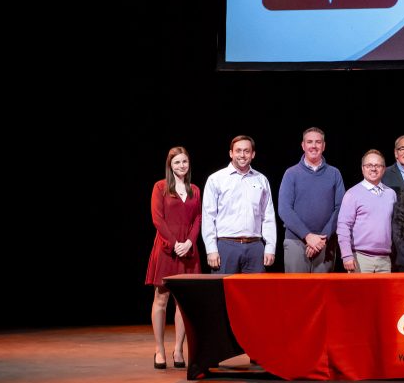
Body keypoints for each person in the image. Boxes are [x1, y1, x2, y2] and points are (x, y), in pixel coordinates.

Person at [146, 146, 201, 369]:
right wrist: (174, 243)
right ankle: (159, 350)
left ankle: (178, 349)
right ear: (170, 165)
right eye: (177, 162)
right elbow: (158, 219)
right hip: (167, 248)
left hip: (188, 250)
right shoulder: (160, 187)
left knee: (184, 303)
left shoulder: (195, 190)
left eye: (184, 162)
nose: (181, 166)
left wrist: (189, 242)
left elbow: (198, 218)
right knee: (161, 299)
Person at [202, 135, 277, 274]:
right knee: (222, 294)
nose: (242, 155)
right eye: (238, 151)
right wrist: (211, 249)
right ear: (231, 153)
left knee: (256, 294)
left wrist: (270, 247)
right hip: (226, 246)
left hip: (255, 247)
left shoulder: (261, 180)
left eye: (247, 151)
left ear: (253, 154)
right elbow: (208, 217)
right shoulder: (216, 179)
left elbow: (268, 216)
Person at [278, 127, 346, 273]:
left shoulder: (334, 173)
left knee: (322, 293)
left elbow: (340, 209)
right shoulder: (291, 173)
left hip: (325, 243)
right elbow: (284, 209)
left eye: (318, 142)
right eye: (309, 142)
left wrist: (322, 239)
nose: (314, 146)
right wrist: (307, 236)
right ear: (303, 145)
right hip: (296, 242)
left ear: (324, 145)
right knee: (296, 293)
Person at [337, 149, 397, 273]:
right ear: (362, 168)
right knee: (358, 293)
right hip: (359, 258)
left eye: (378, 165)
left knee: (385, 293)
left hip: (385, 259)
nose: (373, 169)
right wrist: (347, 255)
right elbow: (343, 226)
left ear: (384, 169)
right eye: (369, 165)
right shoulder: (352, 194)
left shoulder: (391, 194)